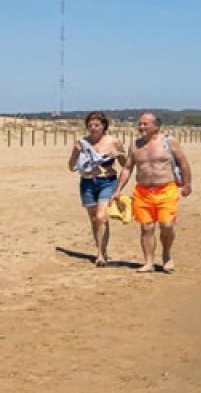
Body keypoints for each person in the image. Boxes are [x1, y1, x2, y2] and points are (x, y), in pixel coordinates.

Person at [120, 110, 193, 273]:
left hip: (166, 189)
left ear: (156, 126)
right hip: (143, 191)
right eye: (139, 124)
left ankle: (166, 254)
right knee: (146, 228)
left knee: (167, 225)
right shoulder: (135, 144)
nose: (141, 126)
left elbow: (183, 163)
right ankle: (149, 262)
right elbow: (127, 168)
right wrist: (117, 190)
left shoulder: (169, 142)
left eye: (145, 124)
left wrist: (187, 184)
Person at [67, 111, 127, 266]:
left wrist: (118, 155)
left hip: (107, 182)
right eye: (90, 125)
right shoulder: (83, 143)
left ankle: (100, 255)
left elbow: (125, 165)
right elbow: (71, 167)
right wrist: (75, 152)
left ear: (104, 126)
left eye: (97, 125)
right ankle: (101, 250)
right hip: (87, 183)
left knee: (102, 217)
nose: (93, 128)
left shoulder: (113, 141)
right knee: (94, 219)